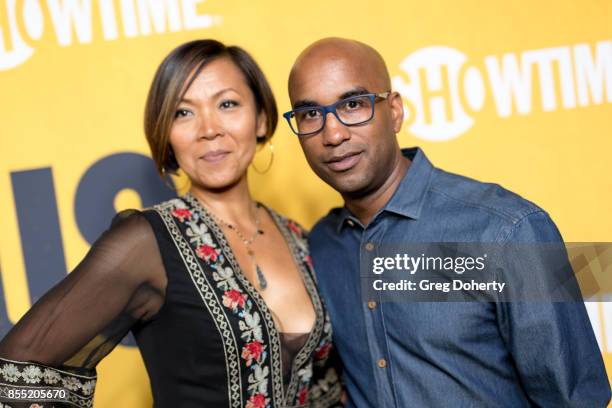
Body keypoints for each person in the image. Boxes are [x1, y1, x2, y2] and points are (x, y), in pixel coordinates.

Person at [0, 39, 342, 408]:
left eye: (227, 104)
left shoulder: (303, 241)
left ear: (260, 119)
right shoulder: (147, 243)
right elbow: (13, 372)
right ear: (167, 134)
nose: (208, 129)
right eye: (183, 112)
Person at [284, 37, 611, 407]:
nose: (333, 133)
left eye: (354, 104)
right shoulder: (321, 247)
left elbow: (577, 400)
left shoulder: (510, 230)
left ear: (394, 111)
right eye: (310, 114)